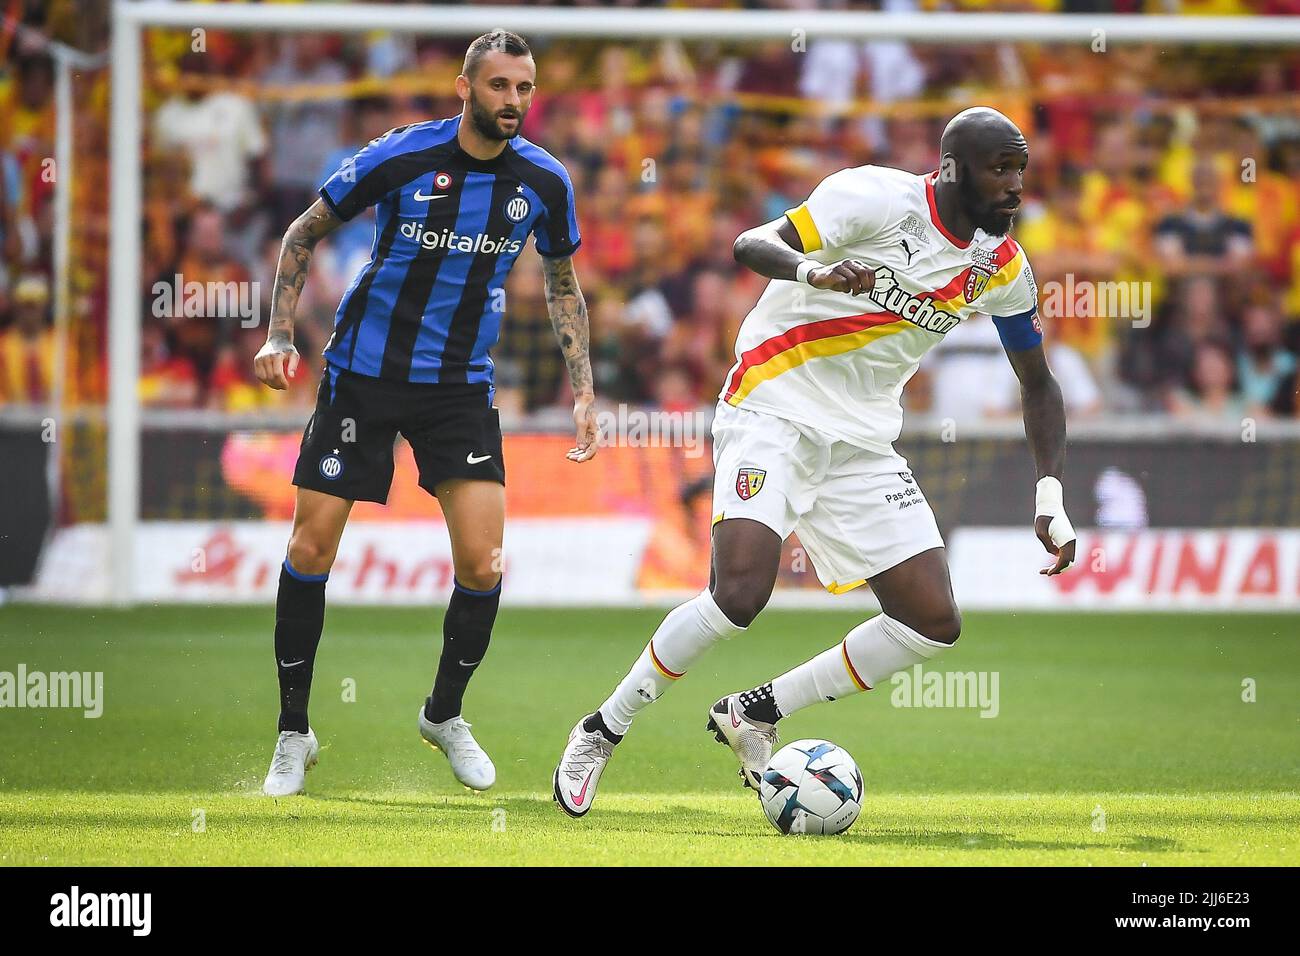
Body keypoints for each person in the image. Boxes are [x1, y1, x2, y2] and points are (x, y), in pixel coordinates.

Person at [553, 107, 1076, 817]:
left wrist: (1050, 492)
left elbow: (1038, 383)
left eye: (1021, 170)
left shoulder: (1004, 271)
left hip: (860, 441)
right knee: (738, 595)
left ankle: (758, 711)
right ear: (952, 169)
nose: (1015, 187)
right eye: (1000, 170)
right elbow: (751, 243)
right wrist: (816, 271)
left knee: (932, 622)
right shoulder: (873, 198)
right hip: (774, 404)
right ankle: (602, 728)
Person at [253, 31, 596, 797]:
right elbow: (302, 232)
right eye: (501, 86)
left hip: (458, 388)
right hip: (362, 376)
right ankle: (293, 732)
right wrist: (278, 332)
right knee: (310, 549)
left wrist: (583, 390)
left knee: (483, 564)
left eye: (526, 88)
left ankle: (444, 715)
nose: (515, 101)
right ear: (464, 88)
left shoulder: (544, 180)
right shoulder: (400, 157)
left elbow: (564, 285)